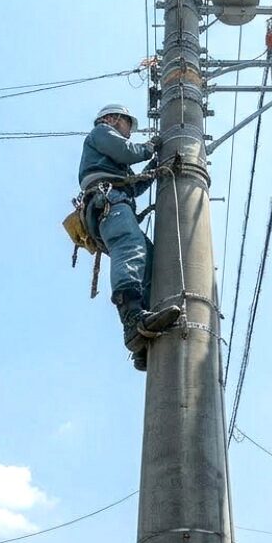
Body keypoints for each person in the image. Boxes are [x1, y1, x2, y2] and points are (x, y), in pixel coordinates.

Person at [78, 104, 180, 371]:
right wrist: (152, 146)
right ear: (112, 119)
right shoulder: (101, 132)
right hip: (109, 202)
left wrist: (157, 163)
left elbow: (134, 186)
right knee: (131, 246)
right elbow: (127, 151)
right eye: (126, 125)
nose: (128, 132)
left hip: (117, 202)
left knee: (149, 262)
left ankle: (143, 340)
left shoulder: (114, 162)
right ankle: (133, 320)